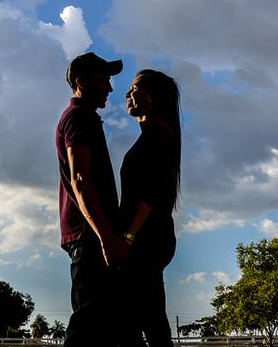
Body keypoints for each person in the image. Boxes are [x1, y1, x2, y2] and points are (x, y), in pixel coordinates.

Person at [56, 52, 131, 347]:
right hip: (89, 236)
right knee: (88, 323)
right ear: (81, 82)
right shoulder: (79, 118)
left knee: (107, 325)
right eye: (103, 81)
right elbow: (81, 181)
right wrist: (106, 238)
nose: (110, 88)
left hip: (91, 234)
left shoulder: (83, 118)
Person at [118, 69, 182, 347]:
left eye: (135, 88)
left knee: (140, 321)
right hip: (149, 237)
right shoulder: (154, 135)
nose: (128, 94)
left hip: (145, 238)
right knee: (142, 318)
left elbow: (150, 193)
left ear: (153, 97)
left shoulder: (157, 136)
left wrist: (129, 237)